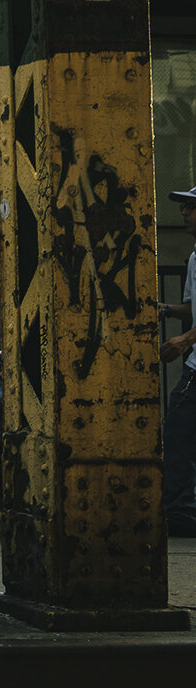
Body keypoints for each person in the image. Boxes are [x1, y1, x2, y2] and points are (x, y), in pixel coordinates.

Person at [160, 188, 196, 538]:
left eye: (190, 207)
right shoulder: (195, 256)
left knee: (177, 432)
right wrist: (166, 310)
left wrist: (185, 339)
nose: (184, 212)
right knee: (179, 433)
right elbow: (194, 309)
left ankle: (180, 511)